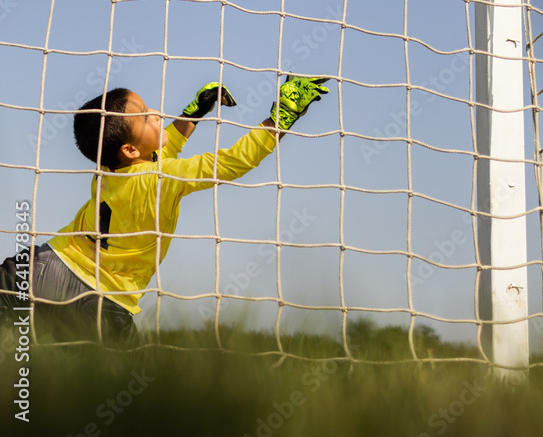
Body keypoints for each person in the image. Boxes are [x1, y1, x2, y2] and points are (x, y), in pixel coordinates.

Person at [0, 76, 329, 343]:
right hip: (101, 302)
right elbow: (230, 162)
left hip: (42, 268)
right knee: (132, 405)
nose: (156, 114)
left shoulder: (109, 170)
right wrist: (282, 115)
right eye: (146, 116)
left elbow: (161, 148)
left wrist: (195, 111)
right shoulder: (160, 180)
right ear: (129, 148)